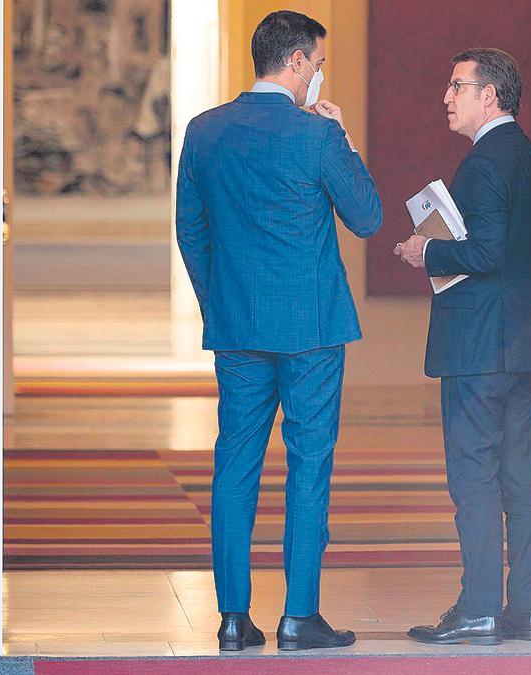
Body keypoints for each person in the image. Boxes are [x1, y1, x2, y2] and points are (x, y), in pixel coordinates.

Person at [175, 9, 382, 652]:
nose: (319, 74)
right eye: (318, 63)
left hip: (238, 330)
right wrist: (342, 135)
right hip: (312, 329)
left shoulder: (204, 131)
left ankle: (233, 619)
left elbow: (191, 229)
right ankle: (299, 616)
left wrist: (221, 305)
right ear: (296, 63)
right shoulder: (316, 137)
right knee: (308, 464)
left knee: (234, 466)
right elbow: (368, 217)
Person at [395, 47, 531, 646]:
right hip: (524, 343)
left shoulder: (484, 162)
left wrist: (426, 251)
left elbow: (485, 251)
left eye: (457, 85)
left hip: (477, 349)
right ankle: (527, 609)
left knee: (474, 479)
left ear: (489, 95)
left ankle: (479, 608)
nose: (447, 96)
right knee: (522, 475)